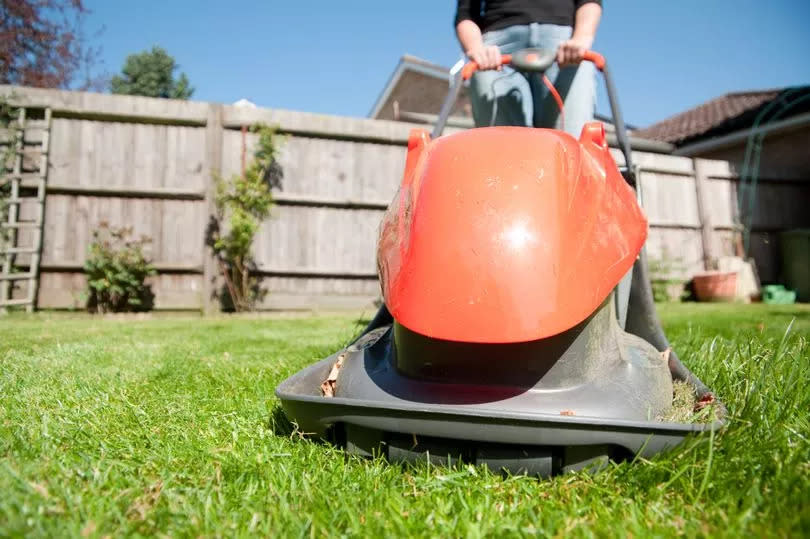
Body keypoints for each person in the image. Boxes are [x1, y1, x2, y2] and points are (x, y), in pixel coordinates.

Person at [455, 0, 602, 137]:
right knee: (499, 144)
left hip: (564, 45)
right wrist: (476, 48)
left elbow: (589, 2)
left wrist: (581, 38)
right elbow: (466, 12)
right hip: (497, 48)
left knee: (572, 141)